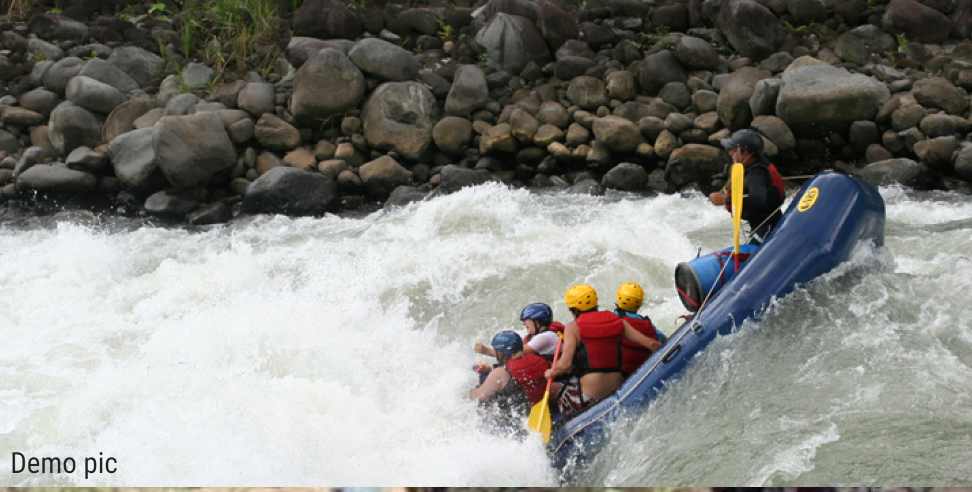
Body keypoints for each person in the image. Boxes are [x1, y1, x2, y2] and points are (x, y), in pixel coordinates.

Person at [546, 284, 662, 419]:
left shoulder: (572, 328)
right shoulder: (617, 321)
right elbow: (652, 344)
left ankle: (558, 429)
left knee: (553, 389)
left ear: (573, 309)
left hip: (589, 397)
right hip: (617, 388)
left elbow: (565, 365)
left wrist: (551, 372)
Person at [708, 129, 786, 241]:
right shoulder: (757, 164)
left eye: (733, 149)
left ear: (744, 152)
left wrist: (726, 200)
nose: (730, 153)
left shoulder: (756, 175)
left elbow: (759, 201)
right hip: (771, 224)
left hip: (767, 231)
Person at [469, 330, 551, 415]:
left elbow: (479, 396)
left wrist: (468, 393)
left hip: (517, 417)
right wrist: (489, 371)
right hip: (538, 406)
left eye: (496, 350)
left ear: (501, 352)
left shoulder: (500, 373)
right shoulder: (539, 360)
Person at [474, 303, 562, 364]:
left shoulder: (545, 337)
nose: (524, 323)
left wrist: (486, 350)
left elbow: (514, 354)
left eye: (527, 320)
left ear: (537, 321)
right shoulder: (543, 335)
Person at [614, 282, 667, 376]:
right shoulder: (646, 324)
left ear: (618, 299)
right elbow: (663, 341)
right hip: (644, 371)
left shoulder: (610, 321)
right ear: (639, 304)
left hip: (620, 375)